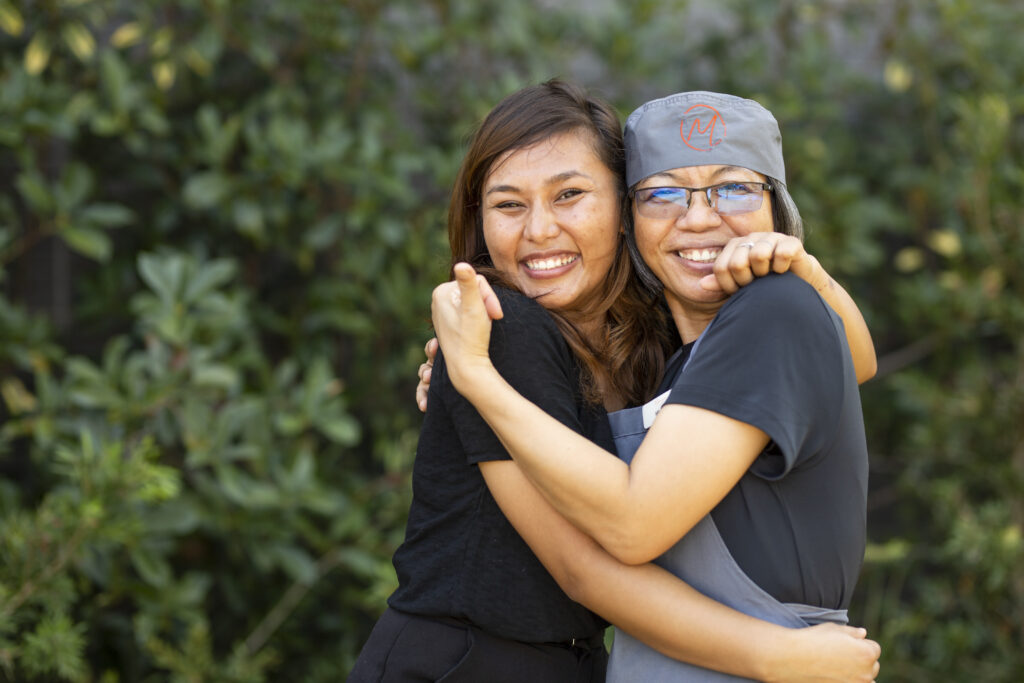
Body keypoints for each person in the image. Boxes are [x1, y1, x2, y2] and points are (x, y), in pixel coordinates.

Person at [351, 81, 879, 682]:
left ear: (619, 213)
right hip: (463, 662)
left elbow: (850, 362)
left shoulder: (656, 339)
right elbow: (585, 566)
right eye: (508, 205)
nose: (541, 231)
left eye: (570, 195)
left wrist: (802, 271)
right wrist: (470, 374)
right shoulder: (497, 325)